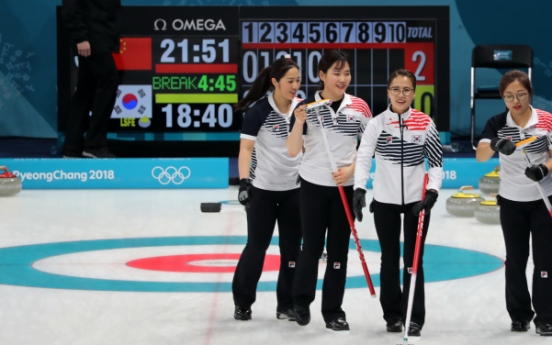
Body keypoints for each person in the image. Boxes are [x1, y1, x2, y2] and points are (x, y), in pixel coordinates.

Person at [353, 69, 443, 337]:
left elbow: (436, 164)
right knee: (389, 260)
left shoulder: (425, 123)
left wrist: (434, 192)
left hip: (417, 203)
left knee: (413, 260)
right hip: (385, 202)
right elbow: (363, 157)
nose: (401, 94)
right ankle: (392, 315)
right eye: (396, 89)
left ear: (414, 93)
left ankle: (414, 317)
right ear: (388, 92)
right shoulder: (377, 124)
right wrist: (359, 188)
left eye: (406, 90)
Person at [287, 50, 372, 332]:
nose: (343, 79)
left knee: (338, 253)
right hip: (311, 187)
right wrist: (298, 121)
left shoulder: (359, 107)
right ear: (322, 76)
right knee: (311, 248)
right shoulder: (304, 107)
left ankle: (333, 310)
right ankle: (300, 302)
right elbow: (292, 150)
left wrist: (351, 171)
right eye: (336, 73)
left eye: (346, 73)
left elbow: (370, 147)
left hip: (343, 191)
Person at [475, 70, 552, 336]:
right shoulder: (497, 122)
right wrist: (496, 143)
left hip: (543, 200)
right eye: (509, 96)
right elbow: (481, 155)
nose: (515, 101)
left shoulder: (546, 121)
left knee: (545, 260)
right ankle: (519, 315)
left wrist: (544, 170)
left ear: (529, 93)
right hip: (511, 202)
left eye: (520, 94)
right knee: (516, 260)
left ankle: (546, 316)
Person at [232, 56, 303, 322]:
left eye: (298, 80)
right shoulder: (259, 111)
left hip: (294, 191)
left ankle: (287, 304)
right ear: (275, 82)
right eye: (290, 81)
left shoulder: (301, 108)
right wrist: (243, 182)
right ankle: (243, 302)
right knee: (256, 247)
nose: (295, 85)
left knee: (292, 250)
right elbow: (246, 149)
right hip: (262, 191)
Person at [62, 0, 121, 158]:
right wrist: (80, 37)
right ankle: (94, 144)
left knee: (85, 89)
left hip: (100, 34)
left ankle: (72, 147)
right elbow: (70, 5)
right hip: (92, 37)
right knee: (109, 81)